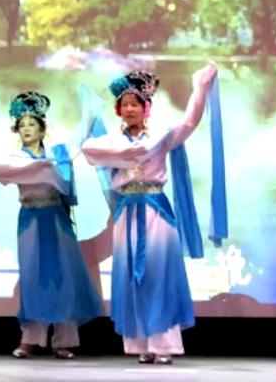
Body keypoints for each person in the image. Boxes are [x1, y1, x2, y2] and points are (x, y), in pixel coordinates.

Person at [81, 64, 225, 365]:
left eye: (135, 104)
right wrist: (122, 155)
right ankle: (140, 344)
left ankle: (164, 344)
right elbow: (88, 150)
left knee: (159, 274)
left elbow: (190, 122)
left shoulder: (160, 135)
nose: (129, 109)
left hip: (155, 209)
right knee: (131, 278)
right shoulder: (112, 141)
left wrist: (199, 87)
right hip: (127, 212)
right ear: (119, 110)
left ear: (146, 108)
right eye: (125, 104)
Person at [0, 91, 102, 359]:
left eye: (32, 124)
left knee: (64, 277)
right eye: (22, 125)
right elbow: (2, 174)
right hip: (31, 219)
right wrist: (42, 167)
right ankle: (30, 339)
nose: (26, 129)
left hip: (56, 218)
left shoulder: (58, 154)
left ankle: (64, 340)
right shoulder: (15, 158)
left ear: (42, 128)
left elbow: (80, 137)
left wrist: (90, 107)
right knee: (33, 277)